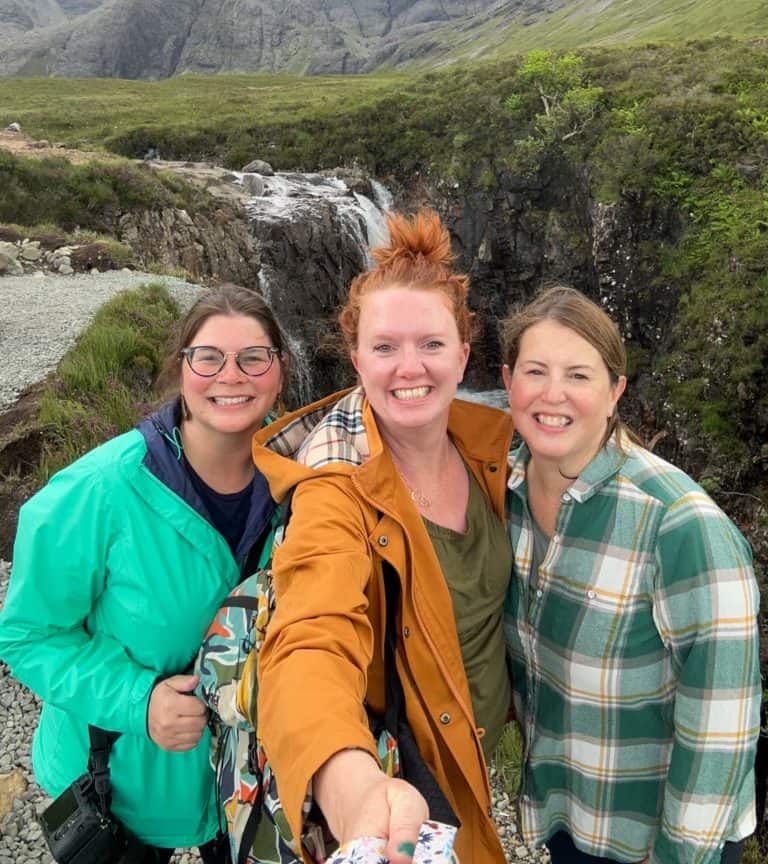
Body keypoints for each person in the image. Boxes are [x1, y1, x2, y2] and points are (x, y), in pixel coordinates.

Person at [252, 210, 515, 864]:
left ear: (463, 352)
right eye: (385, 347)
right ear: (356, 356)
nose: (409, 368)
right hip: (424, 759)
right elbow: (311, 634)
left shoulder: (492, 446)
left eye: (430, 344)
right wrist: (352, 786)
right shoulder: (333, 489)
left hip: (496, 742)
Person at [0, 283, 289, 863]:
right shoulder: (98, 491)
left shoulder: (300, 483)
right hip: (117, 789)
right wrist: (139, 701)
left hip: (245, 789)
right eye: (208, 357)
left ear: (280, 371)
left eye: (253, 357)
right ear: (181, 369)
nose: (231, 375)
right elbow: (26, 635)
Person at [500, 285, 761, 864]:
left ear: (615, 392)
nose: (553, 394)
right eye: (535, 371)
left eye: (579, 376)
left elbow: (724, 720)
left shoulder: (681, 525)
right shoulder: (500, 495)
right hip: (569, 813)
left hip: (665, 836)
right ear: (507, 381)